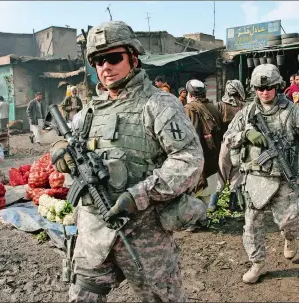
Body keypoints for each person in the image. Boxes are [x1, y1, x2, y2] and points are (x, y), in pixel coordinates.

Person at [50, 21, 204, 302]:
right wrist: (60, 154)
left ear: (133, 57)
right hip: (94, 232)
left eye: (113, 57)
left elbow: (189, 161)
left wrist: (138, 195)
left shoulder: (159, 105)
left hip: (144, 233)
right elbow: (69, 146)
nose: (104, 67)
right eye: (97, 60)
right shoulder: (89, 112)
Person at [225, 64, 299, 284]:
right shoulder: (247, 112)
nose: (264, 93)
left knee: (289, 221)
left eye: (269, 88)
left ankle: (289, 238)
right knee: (251, 224)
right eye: (259, 89)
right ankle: (257, 263)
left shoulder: (292, 112)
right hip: (255, 177)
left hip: (284, 178)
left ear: (277, 87)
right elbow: (228, 138)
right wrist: (245, 134)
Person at [208, 79, 245, 212]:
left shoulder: (219, 106)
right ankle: (233, 204)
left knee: (220, 174)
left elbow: (213, 127)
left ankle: (212, 204)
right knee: (237, 174)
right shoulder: (244, 107)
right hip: (240, 145)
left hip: (224, 145)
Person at [184, 79, 222, 195]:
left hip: (197, 170)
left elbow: (189, 140)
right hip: (213, 165)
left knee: (192, 207)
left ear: (189, 95)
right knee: (205, 203)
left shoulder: (189, 109)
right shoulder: (214, 107)